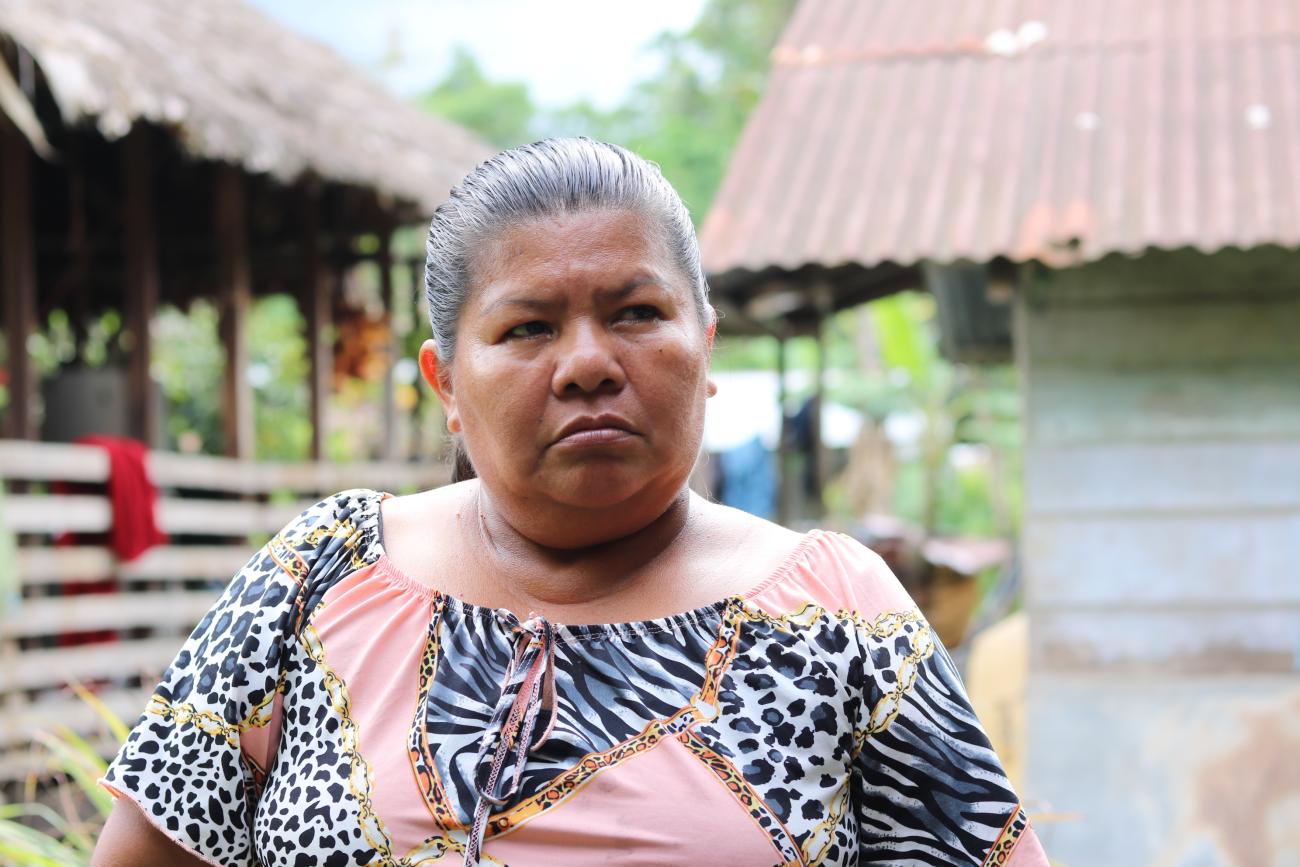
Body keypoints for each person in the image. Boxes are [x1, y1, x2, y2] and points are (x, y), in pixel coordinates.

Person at [92, 138, 1048, 866]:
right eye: (527, 327)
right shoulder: (323, 573)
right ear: (446, 383)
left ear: (705, 346)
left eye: (636, 313)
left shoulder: (837, 611)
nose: (588, 363)